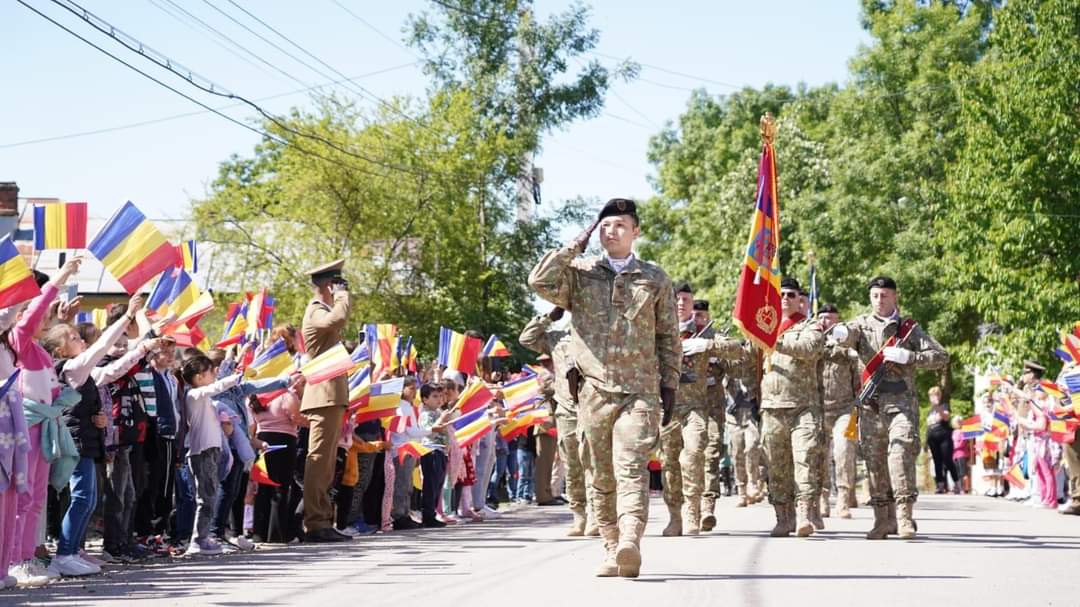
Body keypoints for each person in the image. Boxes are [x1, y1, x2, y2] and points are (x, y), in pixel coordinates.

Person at [528, 197, 679, 578]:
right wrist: (574, 244)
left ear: (635, 231)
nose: (611, 231)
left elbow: (668, 336)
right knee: (600, 471)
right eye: (605, 225)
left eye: (619, 225)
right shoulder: (580, 273)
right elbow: (539, 281)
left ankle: (630, 538)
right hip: (592, 391)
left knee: (631, 466)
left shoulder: (654, 278)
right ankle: (611, 546)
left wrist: (670, 385)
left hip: (639, 390)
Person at [832, 276, 949, 539]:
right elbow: (847, 334)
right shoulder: (861, 324)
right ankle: (883, 520)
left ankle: (905, 518)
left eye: (884, 295)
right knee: (875, 464)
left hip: (901, 405)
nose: (879, 300)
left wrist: (911, 357)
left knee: (900, 454)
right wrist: (840, 333)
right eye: (874, 295)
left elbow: (941, 356)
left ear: (895, 297)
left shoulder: (908, 328)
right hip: (872, 406)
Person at [725, 277, 824, 538]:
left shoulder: (809, 325)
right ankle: (784, 517)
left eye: (791, 294)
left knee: (805, 458)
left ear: (798, 298)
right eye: (781, 294)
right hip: (771, 407)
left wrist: (773, 338)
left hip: (804, 407)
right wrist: (721, 356)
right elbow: (746, 365)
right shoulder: (762, 330)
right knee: (776, 466)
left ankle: (804, 514)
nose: (786, 299)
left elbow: (809, 348)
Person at [519, 309, 595, 536]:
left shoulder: (597, 336)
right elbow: (526, 339)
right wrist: (549, 317)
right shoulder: (557, 338)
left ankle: (597, 514)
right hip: (567, 410)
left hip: (593, 407)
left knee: (594, 463)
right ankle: (579, 514)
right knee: (573, 465)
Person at [299, 259, 352, 543]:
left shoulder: (324, 310)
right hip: (322, 395)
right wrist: (342, 295)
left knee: (327, 463)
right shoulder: (316, 311)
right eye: (338, 283)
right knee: (319, 460)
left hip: (330, 395)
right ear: (329, 284)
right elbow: (338, 319)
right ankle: (315, 523)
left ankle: (323, 520)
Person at [659, 283, 714, 536]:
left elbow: (737, 350)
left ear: (693, 305)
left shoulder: (704, 331)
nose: (681, 303)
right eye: (677, 299)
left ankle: (693, 511)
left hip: (695, 407)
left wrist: (709, 347)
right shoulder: (656, 329)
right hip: (667, 407)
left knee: (692, 456)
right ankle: (675, 516)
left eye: (686, 300)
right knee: (669, 463)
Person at [817, 304, 860, 518]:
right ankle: (823, 498)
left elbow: (858, 374)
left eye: (831, 318)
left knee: (844, 450)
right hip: (819, 408)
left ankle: (843, 498)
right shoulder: (813, 341)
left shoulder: (849, 342)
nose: (827, 322)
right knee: (820, 455)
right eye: (824, 318)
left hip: (845, 408)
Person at [694, 299, 725, 532]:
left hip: (713, 405)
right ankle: (689, 505)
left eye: (702, 315)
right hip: (685, 405)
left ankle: (707, 506)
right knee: (688, 454)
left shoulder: (717, 339)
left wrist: (718, 351)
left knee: (711, 452)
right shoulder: (676, 334)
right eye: (695, 315)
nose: (698, 319)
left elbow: (736, 365)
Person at [417, 383, 453, 527]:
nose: (438, 400)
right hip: (431, 450)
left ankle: (433, 513)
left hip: (441, 451)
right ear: (425, 399)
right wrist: (442, 419)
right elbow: (429, 431)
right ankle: (427, 515)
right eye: (434, 396)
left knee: (438, 484)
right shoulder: (426, 414)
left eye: (440, 396)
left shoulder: (438, 412)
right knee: (431, 484)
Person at [925, 386, 957, 494]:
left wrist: (937, 407)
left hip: (943, 436)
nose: (935, 397)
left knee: (947, 460)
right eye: (933, 395)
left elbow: (946, 417)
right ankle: (940, 485)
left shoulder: (944, 406)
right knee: (937, 461)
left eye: (937, 394)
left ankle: (956, 483)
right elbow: (928, 426)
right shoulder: (929, 412)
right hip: (932, 438)